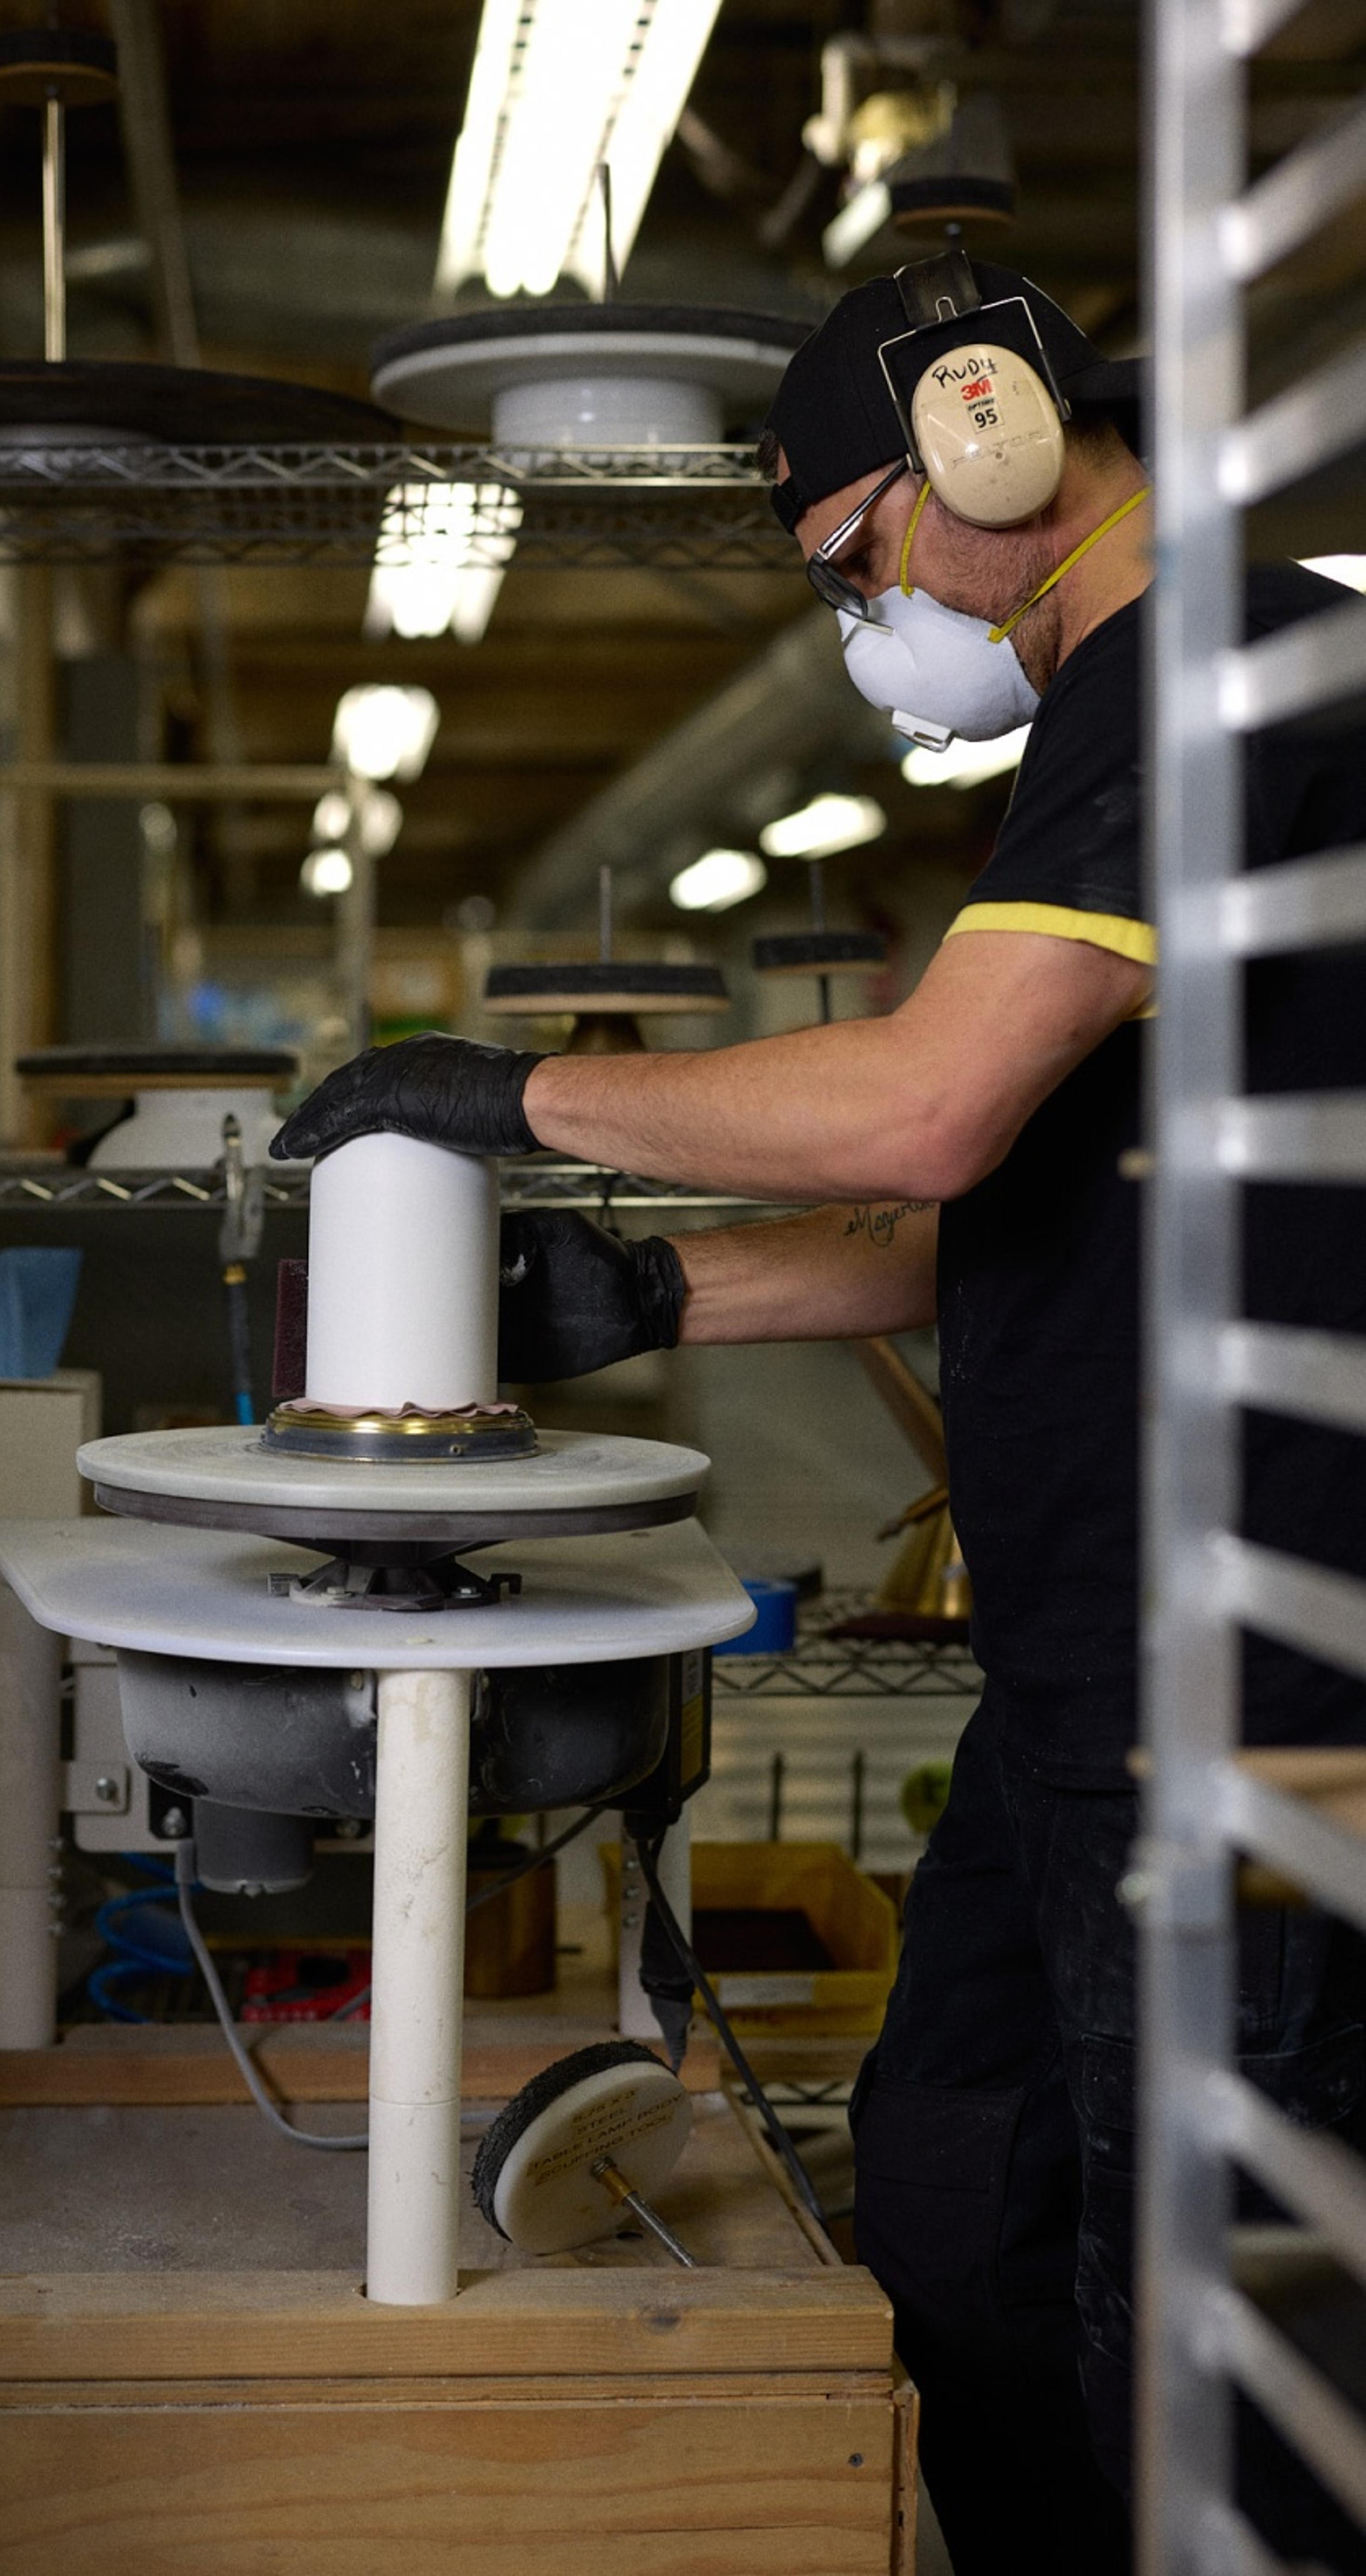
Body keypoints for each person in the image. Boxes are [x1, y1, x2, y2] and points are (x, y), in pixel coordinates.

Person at [273, 257, 1366, 2574]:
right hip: (1097, 1675)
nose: (868, 625)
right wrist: (657, 1283)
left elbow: (939, 1113)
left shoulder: (1207, 677)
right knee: (966, 2188)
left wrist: (510, 1096)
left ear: (988, 436)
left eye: (858, 557)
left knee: (1201, 2344)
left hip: (1246, 1683)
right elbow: (1026, 1196)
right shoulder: (1121, 717)